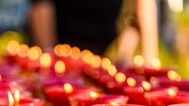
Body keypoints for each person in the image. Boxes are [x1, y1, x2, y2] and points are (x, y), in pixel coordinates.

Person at [29, 0, 159, 65]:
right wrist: (49, 54)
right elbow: (41, 4)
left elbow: (144, 3)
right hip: (61, 48)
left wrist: (149, 55)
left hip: (105, 51)